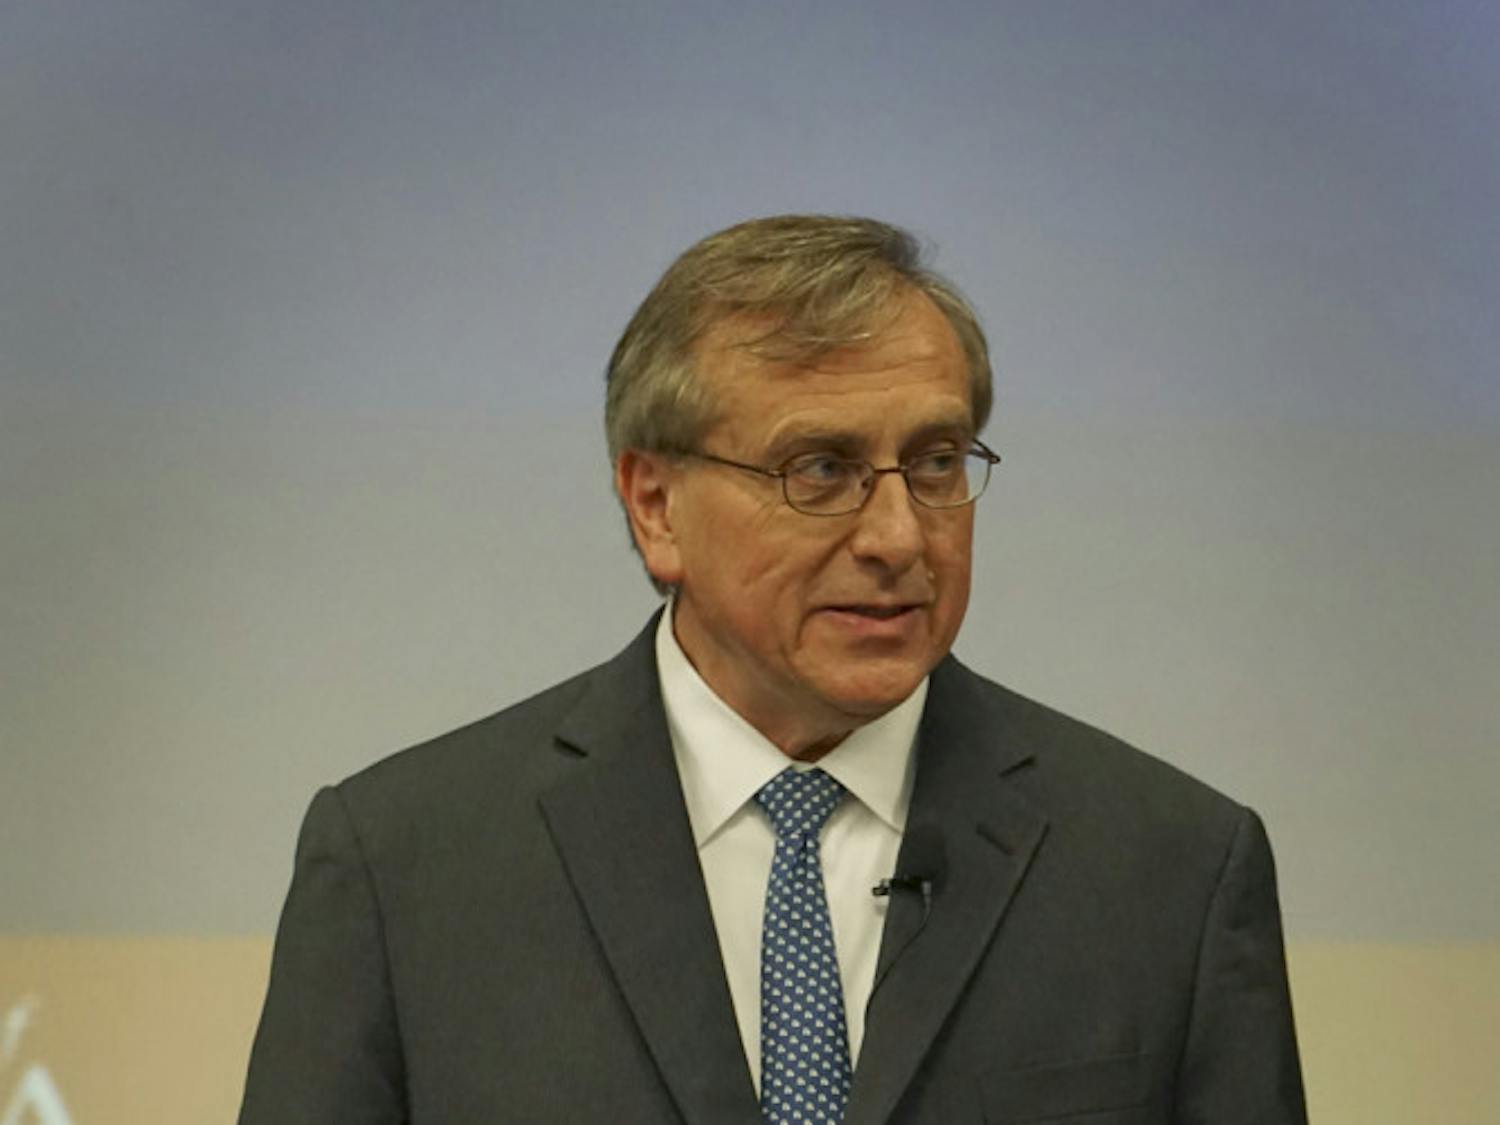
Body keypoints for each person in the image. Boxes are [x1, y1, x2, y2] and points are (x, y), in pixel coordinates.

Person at [238, 215, 1307, 1124]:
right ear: (656, 506)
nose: (898, 534)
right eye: (822, 470)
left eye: (936, 461)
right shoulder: (405, 867)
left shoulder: (1173, 871)